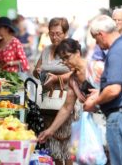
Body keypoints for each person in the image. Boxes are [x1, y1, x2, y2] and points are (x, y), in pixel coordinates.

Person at [84, 15, 122, 165]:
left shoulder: (116, 52)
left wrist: (95, 102)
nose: (97, 44)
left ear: (101, 34)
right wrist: (101, 91)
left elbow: (114, 89)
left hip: (121, 118)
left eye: (96, 40)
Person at [33, 17, 72, 165]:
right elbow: (35, 71)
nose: (54, 37)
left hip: (65, 101)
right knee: (53, 144)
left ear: (65, 33)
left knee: (65, 143)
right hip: (48, 102)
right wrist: (38, 72)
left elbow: (76, 73)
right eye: (51, 33)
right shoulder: (46, 50)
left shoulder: (70, 50)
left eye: (58, 33)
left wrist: (57, 79)